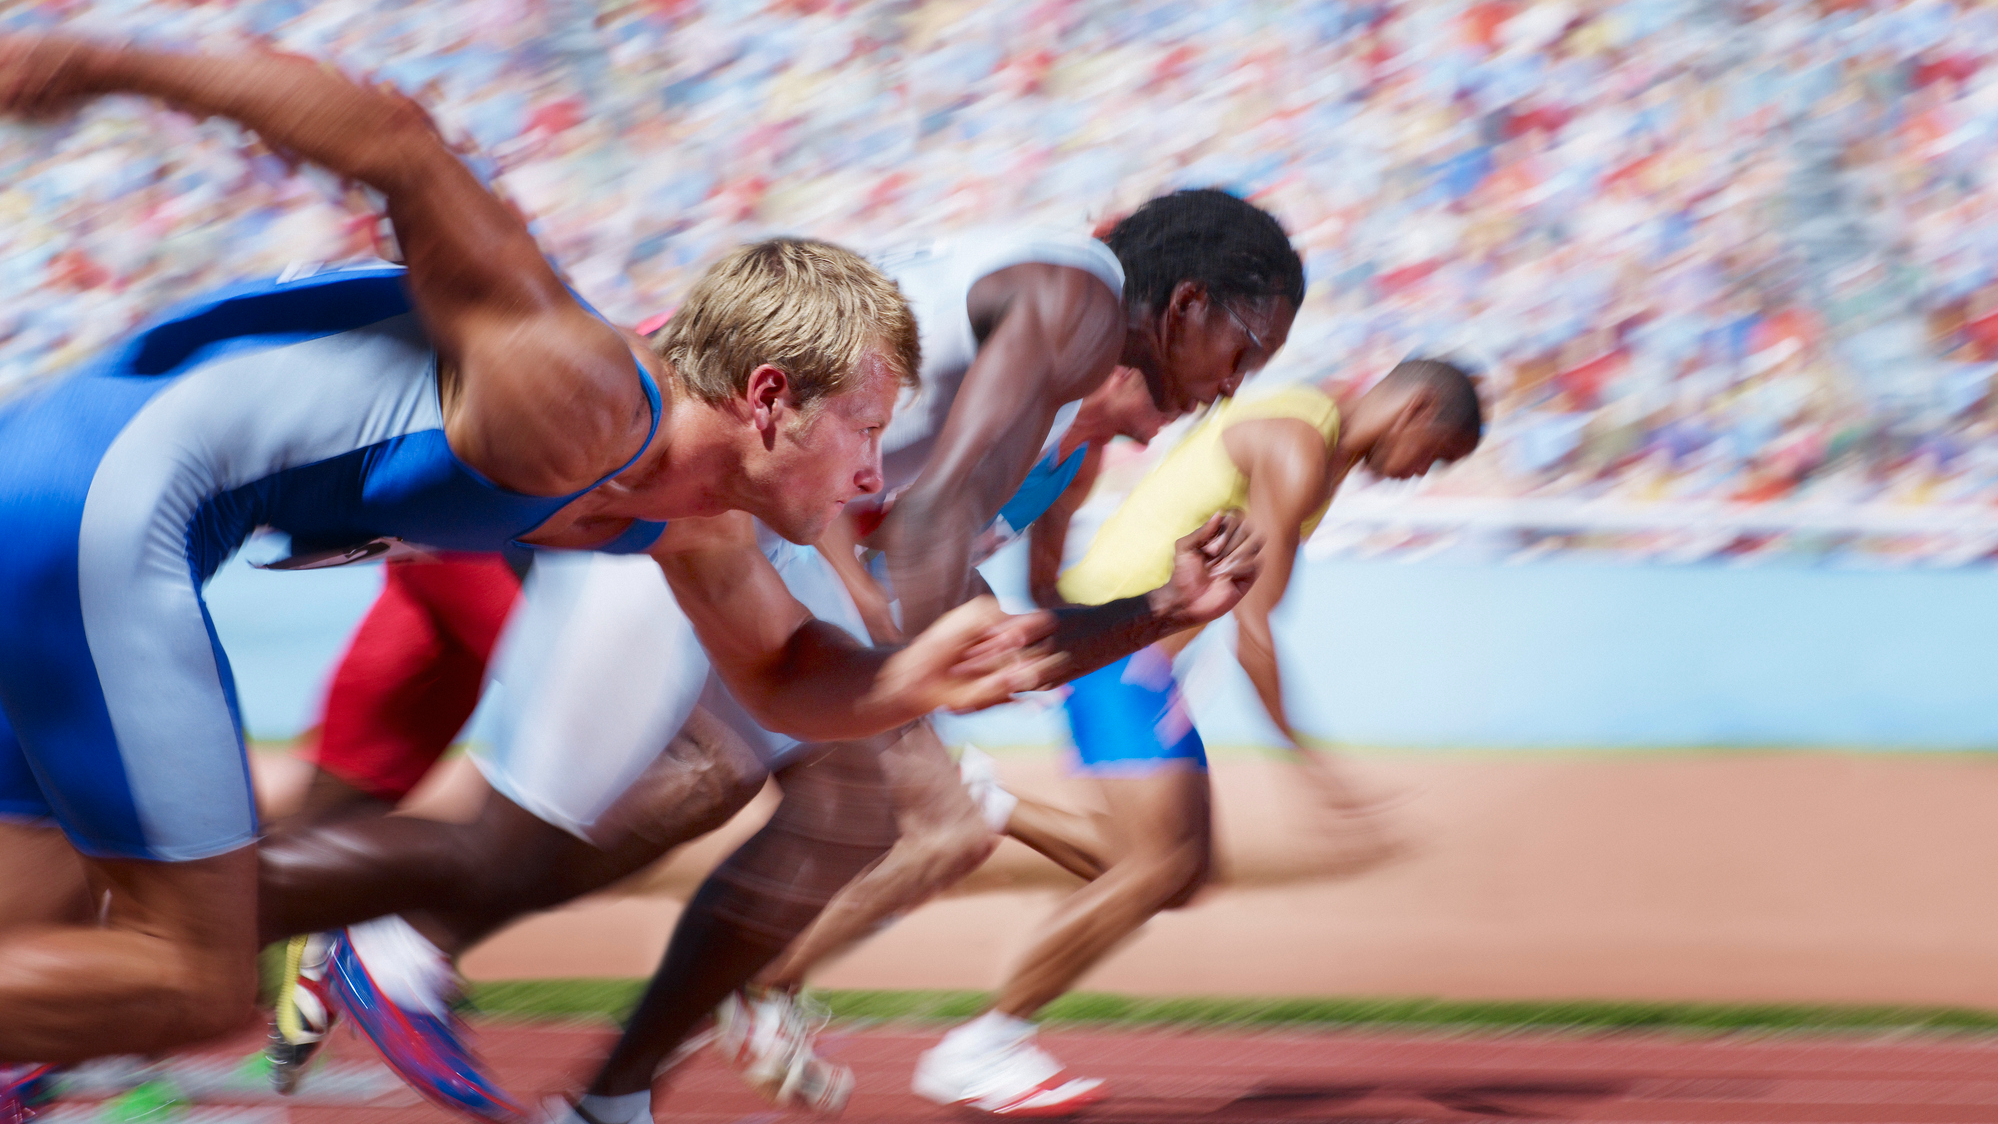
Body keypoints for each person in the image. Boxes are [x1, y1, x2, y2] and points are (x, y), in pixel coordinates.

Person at [0, 33, 1078, 1122]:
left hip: (53, 473)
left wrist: (914, 674)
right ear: (764, 396)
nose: (869, 471)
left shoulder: (690, 525)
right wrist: (97, 66)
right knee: (197, 973)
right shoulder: (587, 393)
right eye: (862, 428)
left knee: (30, 954)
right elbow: (399, 141)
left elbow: (786, 671)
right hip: (98, 501)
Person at [258, 196, 1285, 1124]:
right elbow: (927, 528)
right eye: (1245, 349)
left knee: (829, 805)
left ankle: (606, 1088)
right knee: (527, 830)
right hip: (682, 474)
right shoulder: (1084, 298)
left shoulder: (1060, 373)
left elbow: (936, 561)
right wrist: (936, 661)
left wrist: (1159, 608)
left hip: (729, 495)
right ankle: (320, 924)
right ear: (1186, 302)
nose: (1234, 387)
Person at [905, 358, 1485, 1115]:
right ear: (1413, 412)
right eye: (1435, 455)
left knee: (1178, 874)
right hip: (1118, 643)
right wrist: (1316, 770)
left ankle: (989, 807)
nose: (1420, 477)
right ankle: (982, 1046)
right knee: (1159, 867)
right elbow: (1253, 629)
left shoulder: (1315, 438)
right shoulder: (1299, 445)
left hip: (1122, 641)